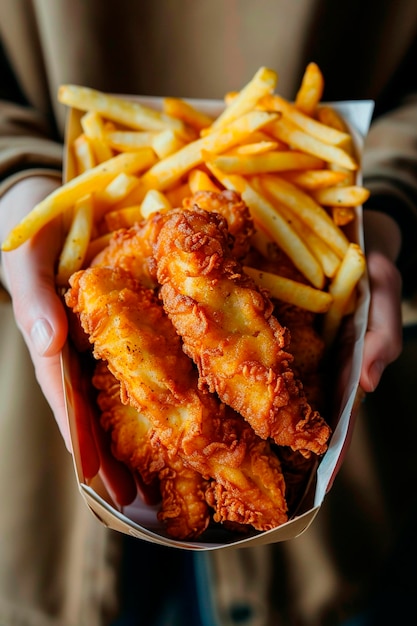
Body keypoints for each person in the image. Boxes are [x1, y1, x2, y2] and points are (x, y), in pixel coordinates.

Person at [0, 1, 416, 624]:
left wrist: (385, 209)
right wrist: (15, 186)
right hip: (41, 492)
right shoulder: (118, 280)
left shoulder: (150, 263)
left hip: (347, 519)